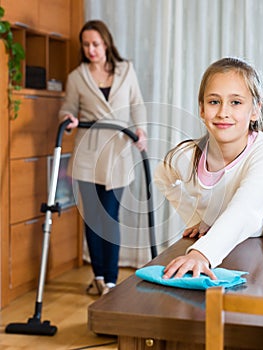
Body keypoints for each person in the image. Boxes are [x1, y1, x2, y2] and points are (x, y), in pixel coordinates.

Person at [154, 57, 263, 281]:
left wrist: (201, 253)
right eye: (214, 102)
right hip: (216, 253)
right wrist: (193, 217)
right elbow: (162, 178)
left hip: (259, 257)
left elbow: (245, 210)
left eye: (236, 102)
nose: (223, 112)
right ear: (201, 109)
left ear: (255, 111)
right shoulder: (187, 156)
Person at [58, 20, 147, 295]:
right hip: (88, 154)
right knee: (93, 219)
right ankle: (98, 277)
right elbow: (67, 108)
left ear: (106, 43)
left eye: (95, 44)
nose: (91, 49)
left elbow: (137, 103)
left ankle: (110, 280)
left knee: (110, 217)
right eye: (86, 45)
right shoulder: (77, 77)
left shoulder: (126, 70)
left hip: (118, 153)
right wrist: (68, 119)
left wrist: (140, 130)